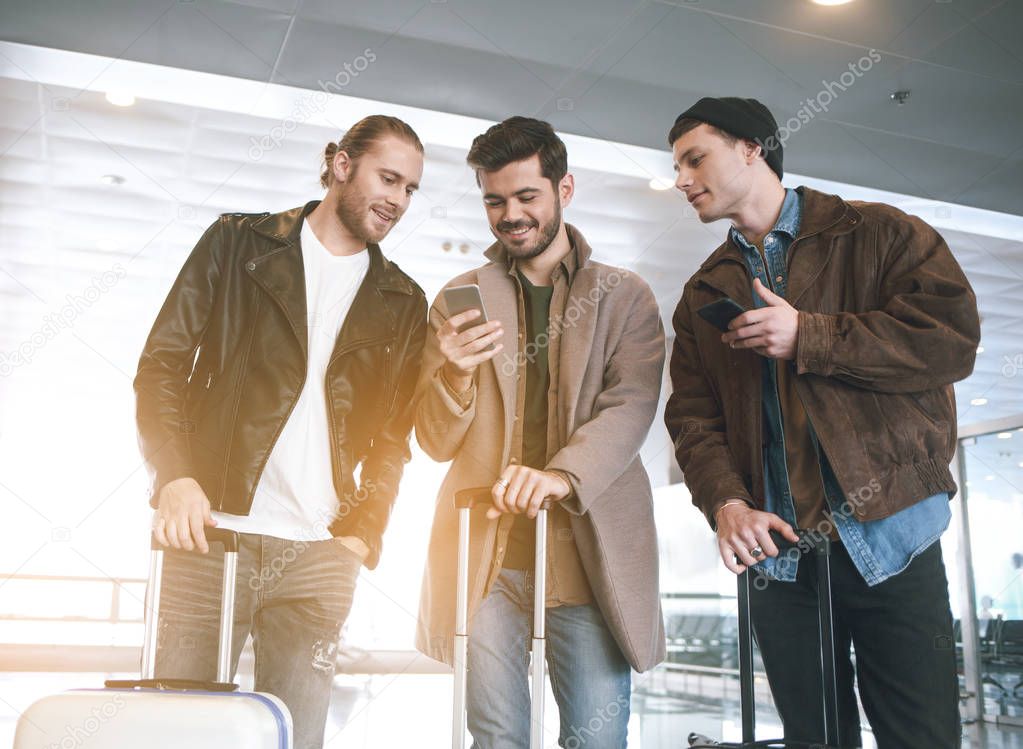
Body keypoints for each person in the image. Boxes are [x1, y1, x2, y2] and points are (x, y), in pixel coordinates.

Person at [663, 96, 980, 748]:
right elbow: (693, 419)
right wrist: (725, 501)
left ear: (751, 147)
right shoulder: (703, 294)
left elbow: (948, 341)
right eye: (675, 167)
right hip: (780, 563)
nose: (681, 180)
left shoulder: (881, 234)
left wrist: (809, 334)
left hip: (893, 538)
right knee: (814, 740)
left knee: (921, 737)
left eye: (694, 158)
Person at [133, 115, 428, 749]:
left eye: (410, 189)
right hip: (209, 540)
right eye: (388, 178)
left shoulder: (403, 299)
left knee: (297, 741)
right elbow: (161, 367)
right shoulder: (237, 243)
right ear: (341, 164)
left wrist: (362, 534)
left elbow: (391, 439)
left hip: (318, 554)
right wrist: (173, 475)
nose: (398, 200)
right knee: (177, 736)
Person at [414, 117, 665, 748]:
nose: (511, 214)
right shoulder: (458, 297)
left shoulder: (624, 296)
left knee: (595, 740)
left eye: (527, 196)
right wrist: (454, 375)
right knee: (497, 739)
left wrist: (559, 476)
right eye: (495, 201)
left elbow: (630, 408)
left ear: (565, 188)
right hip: (486, 559)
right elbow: (434, 440)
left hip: (586, 556)